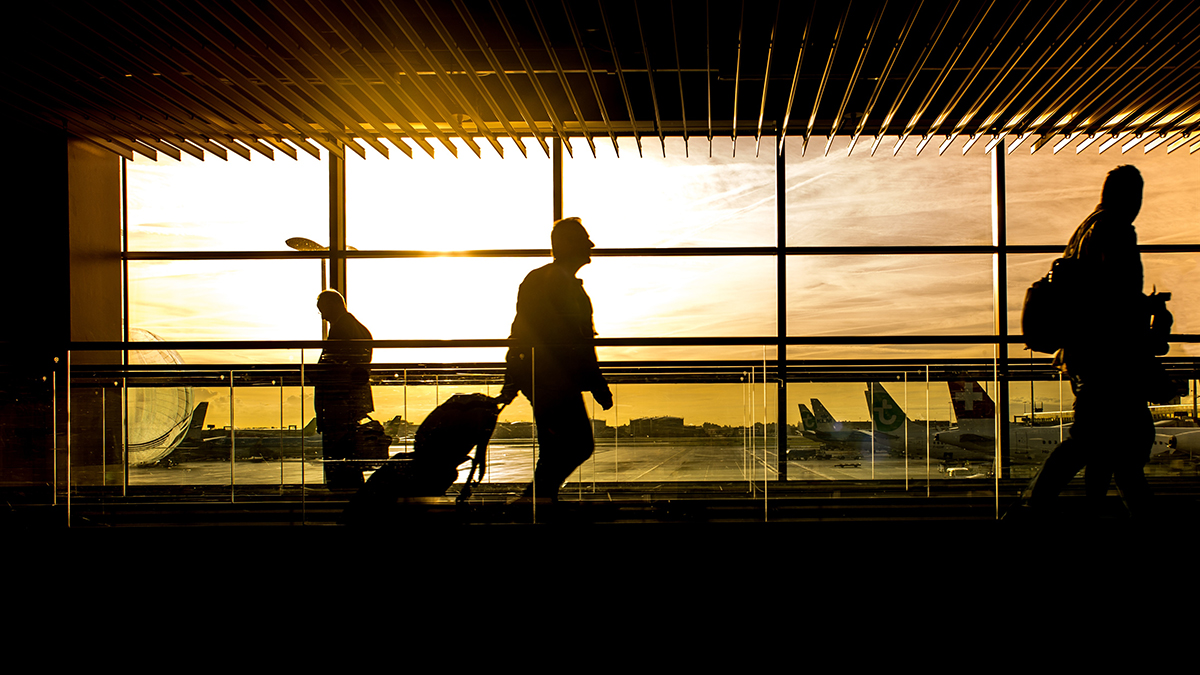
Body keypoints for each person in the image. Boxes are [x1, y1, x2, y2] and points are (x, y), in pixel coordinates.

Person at [1026, 165, 1157, 517]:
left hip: (1084, 353)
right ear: (1130, 196)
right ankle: (1034, 508)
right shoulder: (1115, 229)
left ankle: (1058, 509)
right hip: (1108, 355)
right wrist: (1145, 309)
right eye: (1138, 195)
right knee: (1105, 443)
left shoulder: (1085, 230)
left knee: (1101, 442)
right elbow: (1114, 296)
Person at [498, 217, 613, 502]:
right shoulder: (557, 284)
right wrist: (596, 383)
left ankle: (538, 503)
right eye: (585, 238)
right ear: (567, 245)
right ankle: (535, 502)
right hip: (553, 379)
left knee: (559, 447)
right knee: (577, 445)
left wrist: (514, 377)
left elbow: (523, 332)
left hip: (548, 378)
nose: (591, 244)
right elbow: (577, 343)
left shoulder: (550, 282)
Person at [314, 289, 374, 488]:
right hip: (350, 402)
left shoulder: (342, 329)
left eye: (322, 309)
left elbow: (336, 368)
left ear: (334, 305)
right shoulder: (360, 329)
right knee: (350, 459)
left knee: (339, 459)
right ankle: (352, 496)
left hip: (338, 403)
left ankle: (342, 498)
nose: (322, 315)